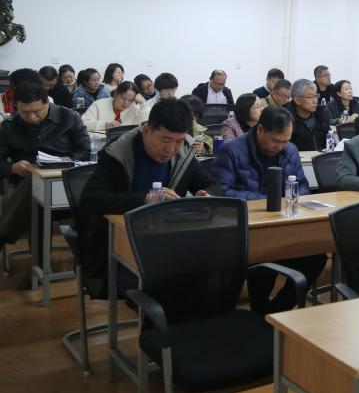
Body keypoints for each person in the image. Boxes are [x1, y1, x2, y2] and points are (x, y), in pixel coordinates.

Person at [78, 99, 221, 296]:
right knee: (175, 287)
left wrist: (207, 195)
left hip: (170, 245)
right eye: (165, 140)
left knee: (212, 275)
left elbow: (213, 185)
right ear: (147, 130)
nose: (171, 149)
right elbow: (91, 200)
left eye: (179, 141)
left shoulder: (183, 154)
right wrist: (144, 200)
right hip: (118, 251)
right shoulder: (118, 154)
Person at [212, 106, 326, 296]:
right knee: (263, 262)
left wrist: (290, 199)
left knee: (315, 257)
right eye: (276, 140)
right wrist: (269, 201)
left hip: (284, 224)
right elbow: (222, 192)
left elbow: (303, 186)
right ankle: (261, 308)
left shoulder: (290, 150)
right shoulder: (232, 150)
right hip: (249, 229)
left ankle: (277, 308)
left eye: (285, 141)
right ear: (260, 129)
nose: (280, 146)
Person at [0, 81, 90, 245]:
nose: (31, 117)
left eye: (36, 111)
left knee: (36, 183)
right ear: (16, 106)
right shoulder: (9, 126)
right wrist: (12, 167)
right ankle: (39, 261)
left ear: (47, 103)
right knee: (34, 182)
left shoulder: (69, 117)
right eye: (24, 112)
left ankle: (4, 235)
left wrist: (62, 163)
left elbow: (85, 152)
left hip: (65, 178)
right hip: (27, 183)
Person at [284, 79, 330, 151]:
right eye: (310, 97)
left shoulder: (320, 112)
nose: (315, 101)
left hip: (322, 156)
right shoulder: (285, 117)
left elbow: (329, 137)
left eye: (316, 96)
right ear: (297, 100)